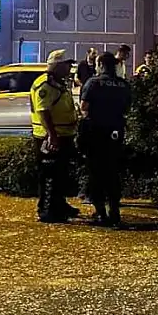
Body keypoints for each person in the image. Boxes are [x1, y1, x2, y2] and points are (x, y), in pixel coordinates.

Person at [79, 52, 132, 226]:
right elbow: (127, 108)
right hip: (116, 133)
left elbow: (84, 106)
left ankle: (101, 212)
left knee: (96, 172)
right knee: (113, 172)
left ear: (101, 64)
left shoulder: (93, 83)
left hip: (96, 133)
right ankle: (115, 210)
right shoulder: (123, 85)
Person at [30, 50, 80, 223]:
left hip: (63, 135)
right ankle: (47, 211)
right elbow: (43, 112)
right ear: (58, 65)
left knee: (60, 174)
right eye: (67, 64)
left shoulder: (58, 83)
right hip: (50, 137)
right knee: (50, 175)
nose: (70, 68)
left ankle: (59, 204)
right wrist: (52, 136)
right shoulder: (46, 84)